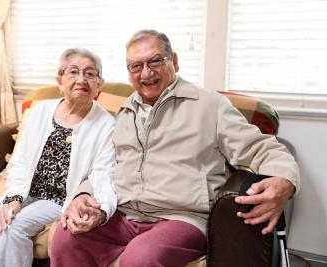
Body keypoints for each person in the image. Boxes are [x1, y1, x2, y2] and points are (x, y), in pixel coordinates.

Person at [50, 30, 299, 267]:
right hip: (125, 214)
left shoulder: (209, 105)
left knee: (141, 257)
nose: (146, 73)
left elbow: (259, 147)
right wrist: (83, 195)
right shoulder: (126, 111)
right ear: (129, 72)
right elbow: (106, 165)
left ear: (174, 61)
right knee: (65, 237)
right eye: (136, 66)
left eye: (155, 61)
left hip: (182, 218)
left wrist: (284, 180)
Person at [0, 48, 117, 267]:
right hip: (27, 189)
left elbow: (103, 174)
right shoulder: (41, 111)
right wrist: (14, 197)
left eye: (90, 73)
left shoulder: (106, 124)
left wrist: (101, 206)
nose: (81, 79)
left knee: (14, 227)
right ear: (60, 80)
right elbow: (20, 160)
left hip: (59, 199)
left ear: (99, 84)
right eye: (73, 72)